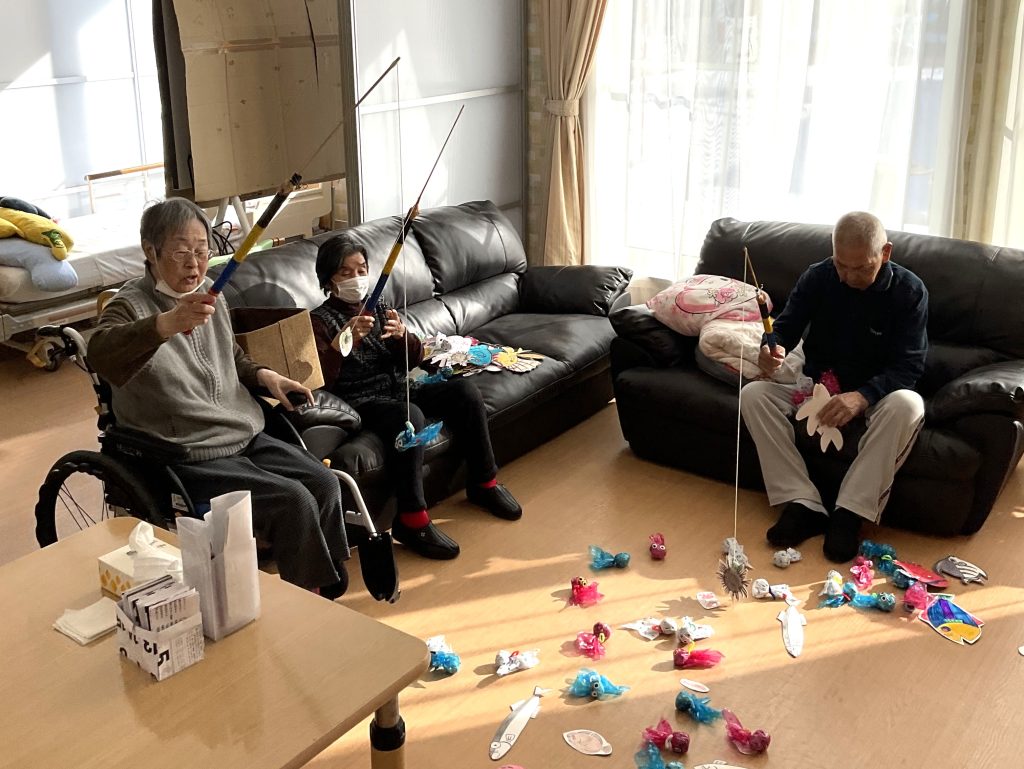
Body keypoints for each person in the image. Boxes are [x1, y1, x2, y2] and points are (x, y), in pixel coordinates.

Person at [89, 198, 350, 598]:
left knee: (324, 482)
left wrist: (267, 377)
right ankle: (309, 602)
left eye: (202, 251)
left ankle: (325, 588)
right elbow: (101, 353)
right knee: (294, 500)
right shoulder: (129, 305)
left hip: (241, 432)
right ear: (150, 251)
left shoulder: (212, 295)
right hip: (188, 451)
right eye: (181, 252)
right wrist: (166, 324)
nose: (194, 264)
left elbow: (232, 357)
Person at [310, 233, 522, 561]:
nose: (356, 278)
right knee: (409, 416)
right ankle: (412, 520)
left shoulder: (379, 306)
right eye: (345, 272)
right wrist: (343, 343)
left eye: (361, 269)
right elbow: (320, 379)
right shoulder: (319, 321)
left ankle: (484, 483)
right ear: (328, 279)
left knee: (463, 391)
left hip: (398, 386)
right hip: (361, 400)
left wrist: (402, 338)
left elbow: (415, 359)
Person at [740, 211, 928, 563]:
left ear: (885, 253)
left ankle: (850, 512)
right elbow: (785, 327)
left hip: (876, 395)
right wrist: (772, 349)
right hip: (817, 389)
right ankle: (803, 502)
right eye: (842, 265)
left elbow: (909, 366)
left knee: (909, 405)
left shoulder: (910, 291)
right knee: (753, 395)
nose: (849, 277)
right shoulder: (819, 276)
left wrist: (862, 397)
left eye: (861, 268)